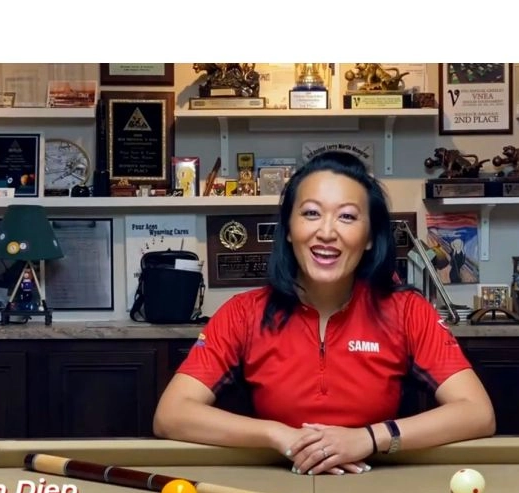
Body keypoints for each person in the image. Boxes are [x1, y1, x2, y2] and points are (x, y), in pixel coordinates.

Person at [153, 150, 495, 475]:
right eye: (311, 213)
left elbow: (477, 412)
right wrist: (278, 435)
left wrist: (368, 438)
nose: (327, 232)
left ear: (370, 237)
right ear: (289, 229)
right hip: (279, 485)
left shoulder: (408, 312)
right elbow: (171, 414)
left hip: (376, 483)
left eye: (347, 216)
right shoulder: (242, 313)